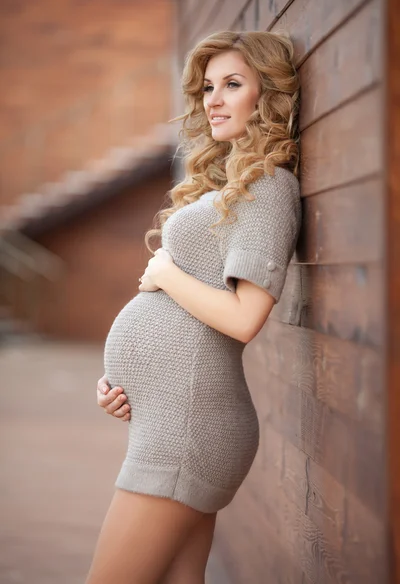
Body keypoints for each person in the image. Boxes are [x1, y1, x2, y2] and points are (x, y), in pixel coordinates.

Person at [86, 30, 302, 584]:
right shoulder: (228, 184)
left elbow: (244, 317)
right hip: (173, 419)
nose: (214, 99)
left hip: (190, 427)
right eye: (208, 87)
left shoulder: (269, 186)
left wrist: (165, 273)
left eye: (233, 84)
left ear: (268, 95)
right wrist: (125, 382)